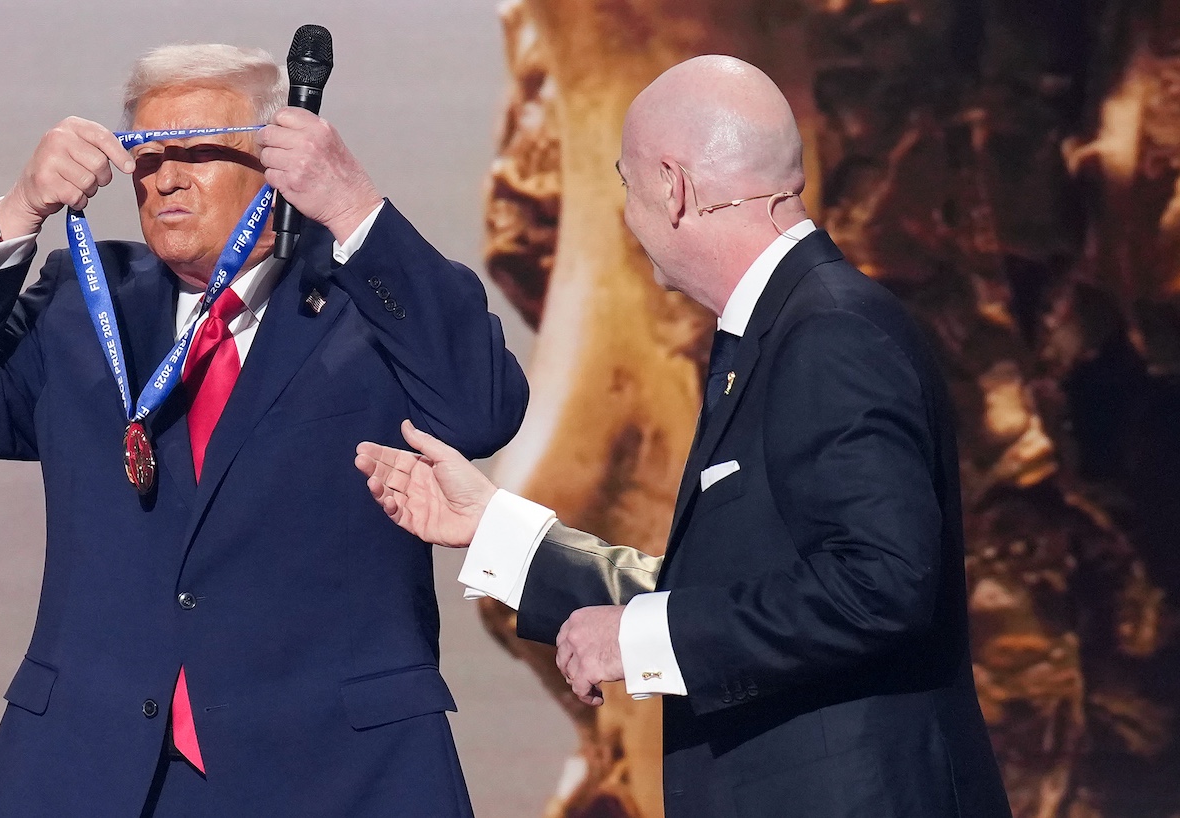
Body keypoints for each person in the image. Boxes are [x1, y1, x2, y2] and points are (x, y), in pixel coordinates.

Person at [0, 43, 526, 818]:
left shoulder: (368, 300)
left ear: (279, 157)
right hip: (92, 770)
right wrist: (19, 211)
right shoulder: (86, 302)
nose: (167, 178)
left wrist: (351, 208)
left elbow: (481, 410)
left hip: (334, 772)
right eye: (147, 155)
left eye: (200, 153)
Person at [356, 55, 1011, 817]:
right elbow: (734, 593)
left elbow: (879, 585)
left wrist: (640, 641)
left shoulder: (830, 333)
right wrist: (492, 526)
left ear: (676, 188)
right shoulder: (782, 331)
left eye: (626, 186)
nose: (627, 215)